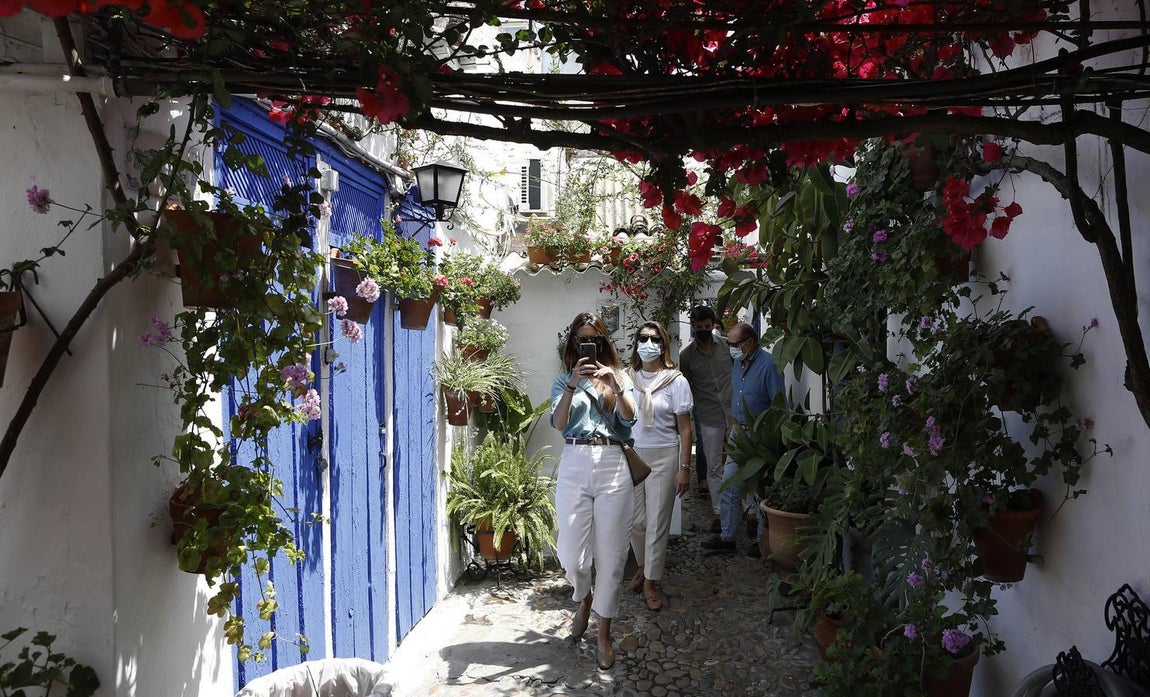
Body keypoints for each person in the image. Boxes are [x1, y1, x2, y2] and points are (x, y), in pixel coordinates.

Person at [550, 312, 637, 670]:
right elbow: (558, 423)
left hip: (614, 463)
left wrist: (614, 385)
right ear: (574, 345)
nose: (588, 345)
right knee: (570, 554)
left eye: (595, 339)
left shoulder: (619, 377)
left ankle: (603, 633)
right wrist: (572, 384)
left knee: (613, 557)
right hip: (574, 460)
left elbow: (630, 418)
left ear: (604, 343)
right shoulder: (562, 380)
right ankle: (584, 596)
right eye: (582, 340)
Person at [624, 322, 693, 612]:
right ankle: (643, 566)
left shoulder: (676, 381)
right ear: (636, 343)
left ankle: (651, 582)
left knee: (657, 522)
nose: (648, 343)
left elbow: (685, 429)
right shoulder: (626, 378)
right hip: (633, 455)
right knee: (636, 521)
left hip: (665, 455)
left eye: (654, 339)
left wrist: (684, 466)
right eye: (643, 338)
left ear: (663, 345)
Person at [702, 321, 785, 554]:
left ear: (749, 342)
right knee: (729, 484)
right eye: (729, 344)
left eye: (735, 344)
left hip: (761, 435)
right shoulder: (738, 364)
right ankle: (727, 537)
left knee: (759, 489)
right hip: (739, 432)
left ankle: (761, 542)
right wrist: (731, 426)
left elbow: (779, 405)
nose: (731, 349)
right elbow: (736, 398)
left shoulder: (769, 365)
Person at [678, 306, 733, 532]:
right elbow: (684, 389)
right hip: (709, 417)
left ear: (713, 326)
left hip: (735, 415)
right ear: (693, 327)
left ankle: (750, 512)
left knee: (743, 462)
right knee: (713, 467)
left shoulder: (727, 346)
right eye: (699, 327)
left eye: (707, 327)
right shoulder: (686, 357)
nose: (703, 331)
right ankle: (720, 512)